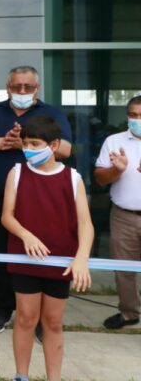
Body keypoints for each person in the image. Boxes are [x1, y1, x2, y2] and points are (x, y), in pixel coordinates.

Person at [0, 66, 72, 334]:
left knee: (38, 256)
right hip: (0, 199)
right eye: (17, 87)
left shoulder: (51, 113)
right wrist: (7, 141)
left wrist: (23, 144)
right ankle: (2, 309)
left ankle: (38, 319)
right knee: (2, 256)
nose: (22, 91)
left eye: (28, 87)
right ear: (8, 87)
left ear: (37, 88)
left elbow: (66, 149)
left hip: (41, 203)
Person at [1, 116, 93, 381]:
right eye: (26, 143)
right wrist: (25, 236)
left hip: (61, 262)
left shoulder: (72, 177)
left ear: (54, 145)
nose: (29, 149)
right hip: (24, 259)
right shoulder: (17, 173)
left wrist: (81, 258)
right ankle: (21, 375)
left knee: (53, 322)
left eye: (35, 144)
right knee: (26, 318)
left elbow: (86, 224)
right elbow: (7, 216)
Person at [94, 95, 141, 330]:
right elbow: (100, 179)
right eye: (133, 115)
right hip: (124, 215)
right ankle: (129, 312)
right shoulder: (114, 141)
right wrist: (116, 170)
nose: (137, 120)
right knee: (124, 268)